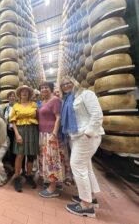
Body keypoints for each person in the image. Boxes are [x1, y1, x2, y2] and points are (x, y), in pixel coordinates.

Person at [60, 76, 104, 218]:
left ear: (75, 82)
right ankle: (90, 197)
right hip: (75, 136)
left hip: (86, 136)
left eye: (68, 83)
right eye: (63, 85)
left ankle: (86, 206)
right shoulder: (68, 99)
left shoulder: (86, 94)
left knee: (77, 165)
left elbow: (97, 114)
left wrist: (88, 133)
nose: (66, 86)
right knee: (86, 167)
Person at [37, 82, 70, 198]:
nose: (43, 89)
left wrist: (54, 133)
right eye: (41, 88)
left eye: (46, 87)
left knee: (53, 160)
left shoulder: (55, 100)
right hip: (42, 134)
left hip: (51, 134)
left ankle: (52, 188)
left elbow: (58, 117)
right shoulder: (43, 102)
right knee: (47, 159)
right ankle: (54, 183)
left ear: (51, 89)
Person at [10, 85, 39, 192]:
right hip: (20, 130)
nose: (24, 93)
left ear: (29, 94)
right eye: (22, 91)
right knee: (20, 154)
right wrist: (17, 135)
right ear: (19, 94)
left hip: (32, 130)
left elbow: (39, 117)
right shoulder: (16, 106)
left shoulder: (34, 104)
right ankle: (17, 177)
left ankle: (28, 175)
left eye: (26, 91)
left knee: (31, 154)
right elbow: (12, 121)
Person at [2, 91, 16, 174]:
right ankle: (11, 166)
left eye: (13, 96)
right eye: (10, 96)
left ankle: (17, 167)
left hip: (16, 131)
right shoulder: (6, 108)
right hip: (8, 130)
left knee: (16, 149)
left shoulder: (18, 107)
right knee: (10, 148)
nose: (12, 97)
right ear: (8, 98)